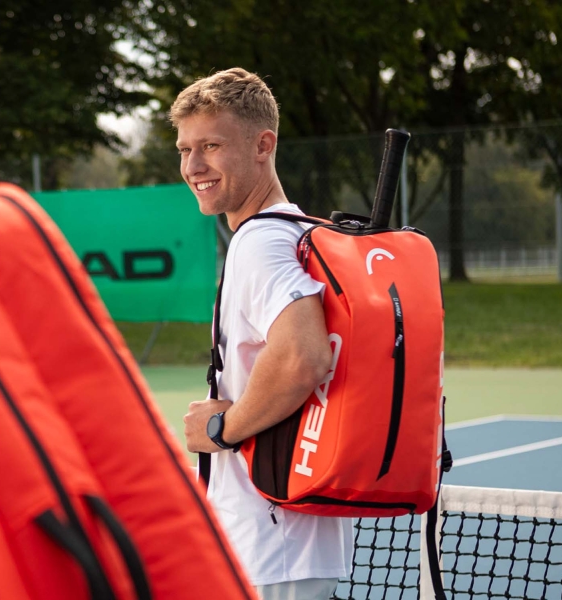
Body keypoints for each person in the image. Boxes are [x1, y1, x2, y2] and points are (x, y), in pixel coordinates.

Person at [170, 67, 353, 600]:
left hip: (270, 547)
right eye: (184, 149)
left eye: (211, 145)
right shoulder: (299, 231)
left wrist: (224, 427)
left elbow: (304, 356)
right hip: (289, 538)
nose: (193, 166)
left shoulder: (260, 243)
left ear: (262, 145)